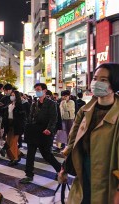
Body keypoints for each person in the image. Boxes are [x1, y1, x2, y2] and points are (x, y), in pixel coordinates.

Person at [60, 63, 119, 204]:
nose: (97, 83)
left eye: (103, 80)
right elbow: (72, 142)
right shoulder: (85, 111)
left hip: (110, 176)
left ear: (114, 83)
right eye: (95, 78)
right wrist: (65, 167)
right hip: (84, 168)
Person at [20, 83, 61, 184]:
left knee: (47, 155)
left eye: (38, 89)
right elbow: (30, 117)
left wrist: (49, 129)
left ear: (45, 91)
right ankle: (29, 175)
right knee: (30, 154)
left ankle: (60, 170)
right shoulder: (34, 104)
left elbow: (53, 118)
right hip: (34, 131)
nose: (37, 91)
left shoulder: (52, 103)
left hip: (45, 132)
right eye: (36, 90)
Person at [1, 91, 26, 166]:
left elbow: (22, 118)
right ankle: (18, 154)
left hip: (16, 126)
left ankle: (15, 158)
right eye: (11, 95)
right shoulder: (9, 105)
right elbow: (5, 116)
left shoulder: (20, 105)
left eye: (13, 95)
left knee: (13, 143)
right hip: (9, 126)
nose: (12, 96)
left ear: (17, 96)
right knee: (9, 142)